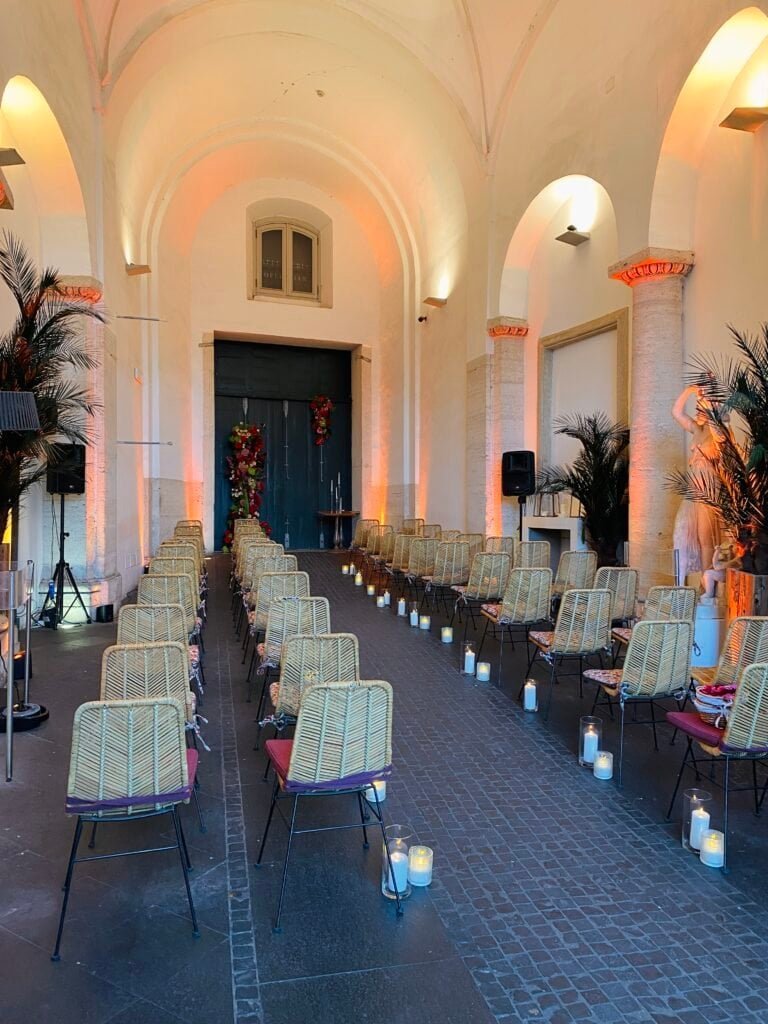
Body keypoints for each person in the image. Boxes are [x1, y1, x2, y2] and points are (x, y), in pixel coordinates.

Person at [672, 385, 728, 583]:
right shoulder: (697, 429)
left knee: (706, 538)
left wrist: (710, 406)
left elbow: (720, 435)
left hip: (709, 489)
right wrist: (690, 390)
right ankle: (679, 587)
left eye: (701, 407)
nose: (697, 410)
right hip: (694, 490)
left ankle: (707, 588)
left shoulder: (718, 431)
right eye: (697, 407)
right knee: (681, 531)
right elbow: (676, 412)